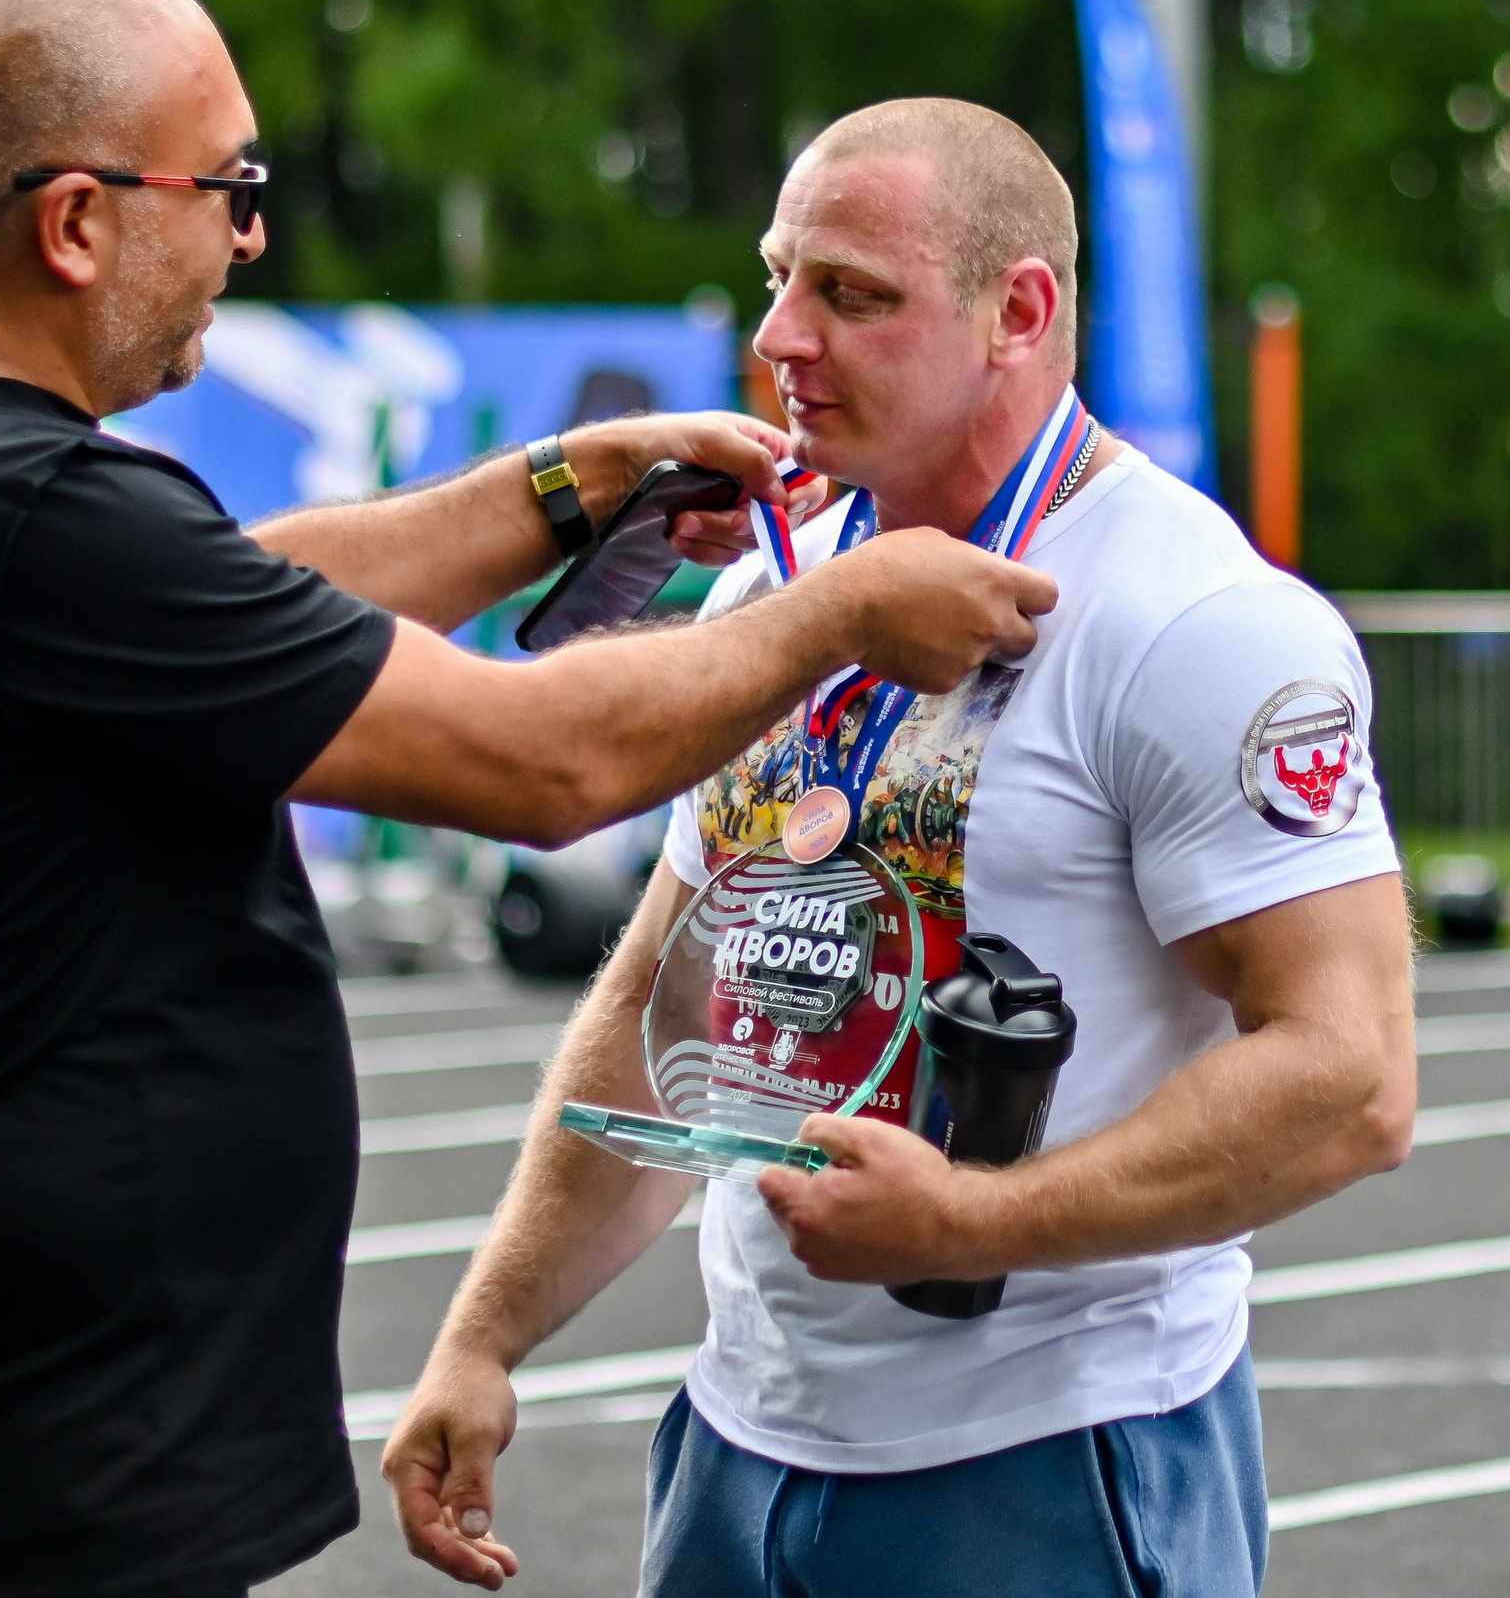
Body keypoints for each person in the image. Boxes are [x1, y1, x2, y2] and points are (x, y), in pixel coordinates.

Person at [0, 0, 1051, 1598]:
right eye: (229, 186)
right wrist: (836, 613)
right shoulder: (13, 509)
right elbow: (549, 761)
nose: (250, 234)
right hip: (27, 1464)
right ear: (78, 222)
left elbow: (225, 595)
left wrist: (563, 484)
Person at [382, 99, 1420, 1598]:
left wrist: (978, 1216)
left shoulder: (1200, 617)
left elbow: (1354, 1077)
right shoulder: (773, 592)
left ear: (1022, 310)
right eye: (777, 278)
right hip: (741, 1444)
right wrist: (484, 1331)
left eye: (853, 294)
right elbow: (667, 1000)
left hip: (1054, 1456)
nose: (784, 338)